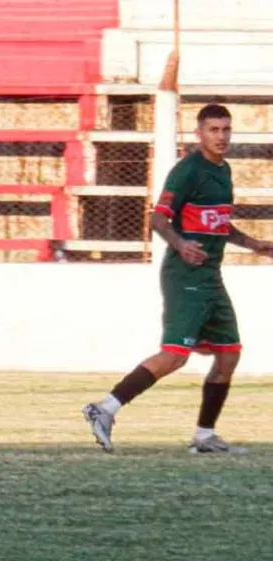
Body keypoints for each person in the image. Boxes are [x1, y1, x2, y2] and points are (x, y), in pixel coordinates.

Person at [83, 104, 273, 453]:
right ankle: (105, 408)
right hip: (184, 276)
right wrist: (180, 243)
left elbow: (217, 222)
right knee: (175, 355)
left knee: (229, 354)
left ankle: (204, 436)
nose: (221, 136)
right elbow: (158, 220)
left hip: (211, 277)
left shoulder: (224, 170)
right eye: (214, 129)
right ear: (198, 133)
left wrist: (253, 244)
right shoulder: (187, 171)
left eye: (226, 129)